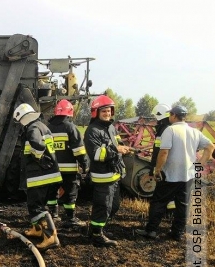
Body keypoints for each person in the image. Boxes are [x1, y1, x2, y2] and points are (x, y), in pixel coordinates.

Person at [136, 105, 214, 240]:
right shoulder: (194, 132)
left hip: (170, 175)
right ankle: (177, 233)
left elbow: (164, 152)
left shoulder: (170, 130)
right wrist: (199, 165)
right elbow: (210, 147)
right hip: (188, 175)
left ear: (173, 115)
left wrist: (157, 170)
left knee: (158, 202)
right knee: (183, 205)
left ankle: (151, 231)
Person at [13, 103, 63, 250]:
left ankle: (51, 236)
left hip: (39, 177)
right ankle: (37, 230)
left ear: (22, 118)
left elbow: (37, 145)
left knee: (36, 207)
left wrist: (38, 156)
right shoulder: (43, 126)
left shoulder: (32, 128)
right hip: (49, 175)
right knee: (39, 204)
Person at [84, 95, 130, 247]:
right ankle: (97, 235)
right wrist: (116, 149)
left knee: (114, 206)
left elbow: (116, 142)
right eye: (103, 111)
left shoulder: (110, 127)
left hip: (114, 174)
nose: (107, 113)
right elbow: (96, 154)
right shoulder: (92, 131)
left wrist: (123, 147)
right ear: (95, 112)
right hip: (103, 176)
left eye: (109, 110)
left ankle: (98, 227)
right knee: (102, 207)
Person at [47, 99, 89, 227]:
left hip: (52, 168)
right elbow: (79, 150)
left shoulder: (47, 128)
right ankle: (70, 218)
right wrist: (85, 164)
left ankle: (53, 215)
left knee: (52, 191)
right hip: (68, 170)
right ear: (70, 112)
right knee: (70, 192)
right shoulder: (70, 127)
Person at [149, 104, 176, 212]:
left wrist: (154, 168)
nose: (155, 119)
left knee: (160, 196)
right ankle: (170, 213)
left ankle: (155, 221)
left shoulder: (164, 130)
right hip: (171, 167)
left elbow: (159, 151)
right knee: (171, 194)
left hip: (163, 167)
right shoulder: (171, 128)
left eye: (155, 116)